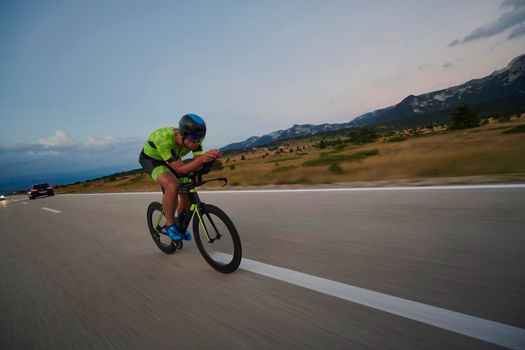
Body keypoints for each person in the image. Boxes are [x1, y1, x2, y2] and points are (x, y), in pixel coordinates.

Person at [139, 114, 222, 241]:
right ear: (183, 134)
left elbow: (198, 161)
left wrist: (211, 157)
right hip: (152, 160)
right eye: (194, 138)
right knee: (172, 185)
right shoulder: (164, 139)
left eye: (201, 138)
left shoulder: (195, 140)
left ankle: (180, 224)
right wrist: (202, 159)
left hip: (172, 160)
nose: (197, 143)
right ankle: (170, 225)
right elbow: (180, 169)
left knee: (186, 191)